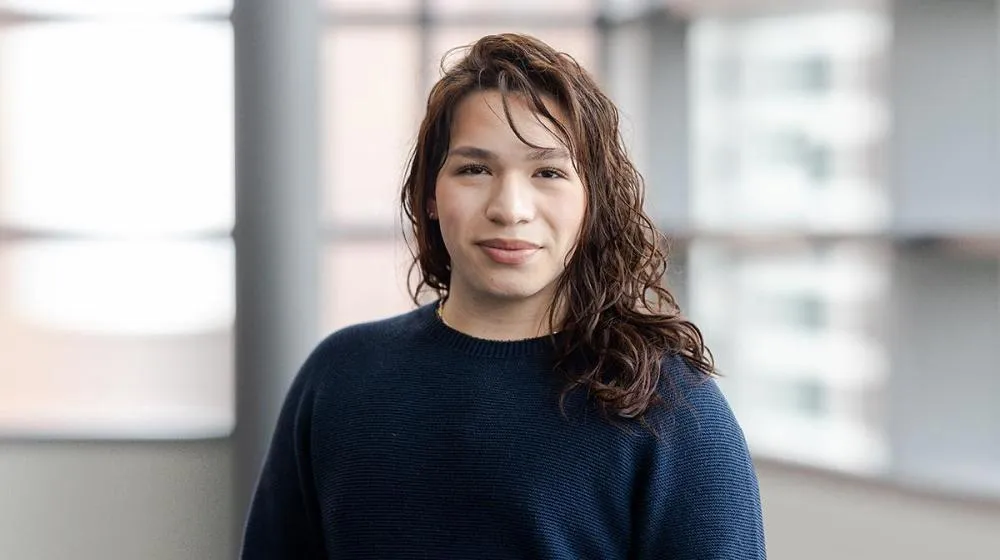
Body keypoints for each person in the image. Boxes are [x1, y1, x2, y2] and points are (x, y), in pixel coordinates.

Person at [241, 33, 765, 559]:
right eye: (475, 169)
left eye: (548, 173)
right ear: (429, 194)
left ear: (593, 203)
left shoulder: (669, 405)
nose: (510, 208)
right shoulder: (339, 375)